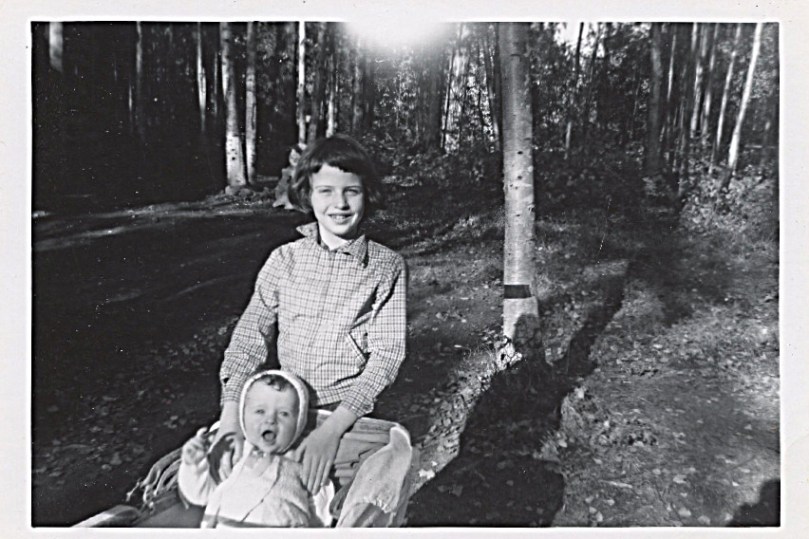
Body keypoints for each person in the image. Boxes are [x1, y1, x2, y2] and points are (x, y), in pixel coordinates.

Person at [213, 134, 408, 498]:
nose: (340, 203)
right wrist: (230, 416)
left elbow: (387, 355)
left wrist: (331, 431)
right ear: (307, 194)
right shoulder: (284, 260)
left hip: (345, 415)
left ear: (367, 194)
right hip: (281, 407)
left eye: (351, 191)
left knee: (332, 504)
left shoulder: (386, 267)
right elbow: (249, 337)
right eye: (326, 191)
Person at [178, 369, 333, 527]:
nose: (270, 420)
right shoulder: (236, 455)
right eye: (260, 411)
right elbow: (200, 494)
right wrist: (194, 463)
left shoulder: (303, 462)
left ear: (299, 423)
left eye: (284, 414)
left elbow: (321, 513)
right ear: (243, 417)